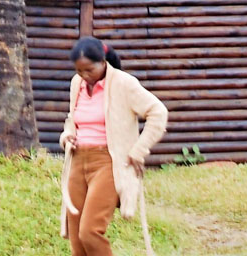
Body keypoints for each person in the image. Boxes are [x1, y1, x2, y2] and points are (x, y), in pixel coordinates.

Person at [59, 35, 167, 256]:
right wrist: (67, 135)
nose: (84, 76)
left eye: (89, 70)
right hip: (78, 161)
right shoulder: (76, 83)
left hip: (109, 162)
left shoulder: (123, 83)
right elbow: (73, 118)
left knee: (89, 231)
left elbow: (158, 112)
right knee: (76, 239)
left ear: (103, 61)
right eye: (79, 71)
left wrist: (139, 150)